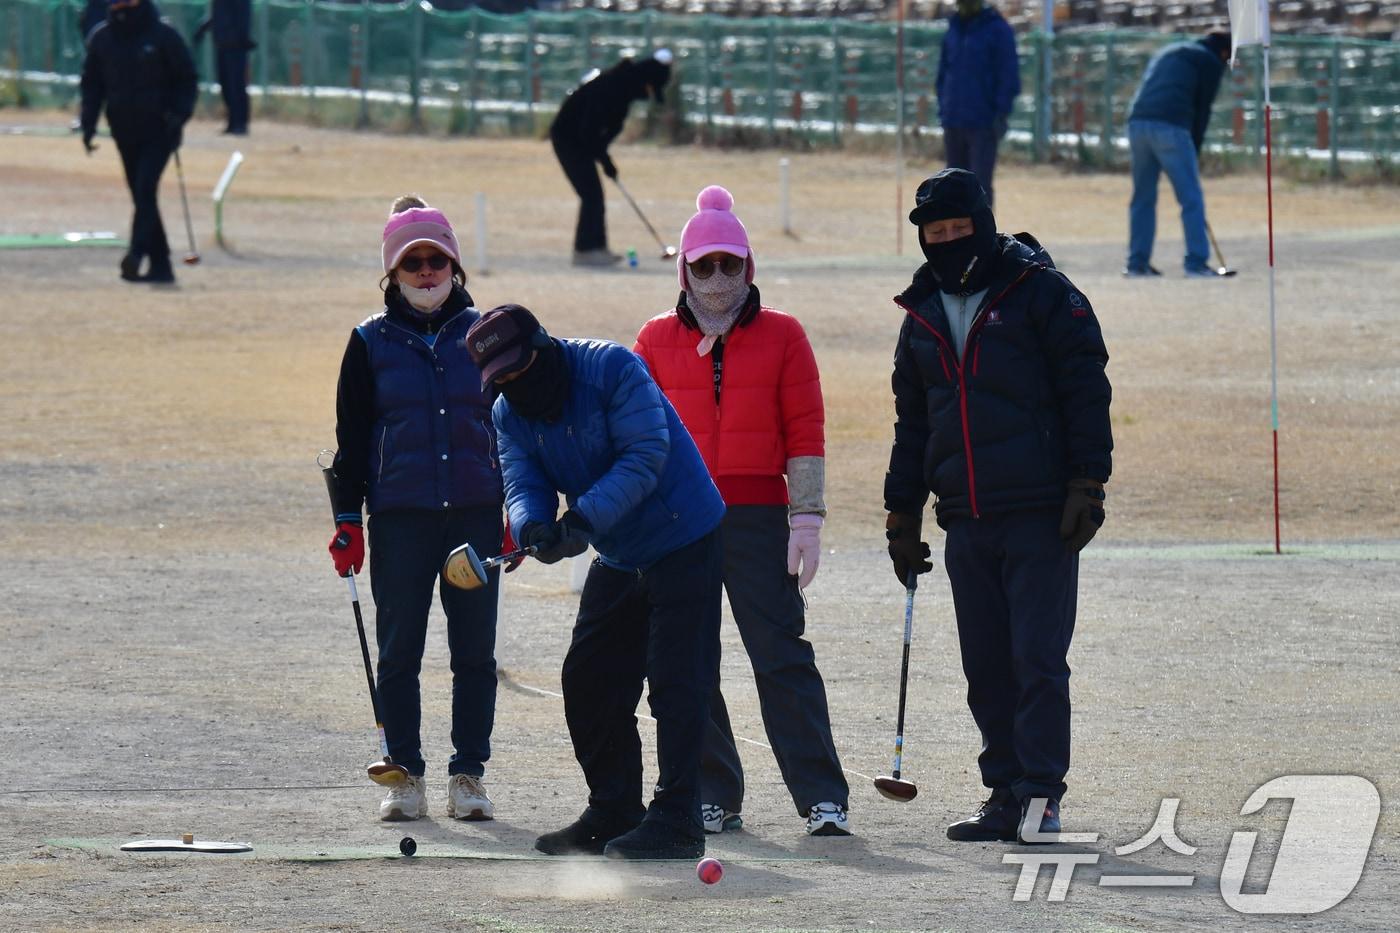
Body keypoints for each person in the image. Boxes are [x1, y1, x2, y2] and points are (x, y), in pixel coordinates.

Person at [883, 168, 1113, 844]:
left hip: (1042, 510)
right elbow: (913, 424)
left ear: (982, 224)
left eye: (958, 229)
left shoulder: (1041, 291)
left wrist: (1087, 484)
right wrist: (902, 513)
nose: (948, 241)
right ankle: (1004, 793)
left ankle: (1041, 794)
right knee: (985, 664)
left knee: (1036, 658)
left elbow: (1084, 390)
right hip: (967, 516)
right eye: (935, 232)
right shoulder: (921, 313)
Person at [465, 303, 726, 860]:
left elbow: (645, 453)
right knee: (588, 679)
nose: (514, 384)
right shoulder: (510, 411)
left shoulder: (610, 368)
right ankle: (614, 809)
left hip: (685, 537)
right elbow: (522, 477)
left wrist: (581, 520)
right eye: (501, 379)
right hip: (620, 550)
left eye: (518, 369)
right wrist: (533, 525)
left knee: (678, 682)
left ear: (541, 344)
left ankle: (678, 818)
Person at [632, 186, 851, 839]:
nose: (718, 278)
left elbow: (804, 427)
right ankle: (712, 792)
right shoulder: (654, 338)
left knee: (781, 653)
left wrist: (806, 515)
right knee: (688, 659)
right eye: (705, 265)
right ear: (685, 270)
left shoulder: (784, 334)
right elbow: (638, 436)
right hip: (680, 522)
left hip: (758, 514)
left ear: (749, 267)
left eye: (731, 264)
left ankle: (821, 796)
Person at [327, 197, 503, 824]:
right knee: (399, 651)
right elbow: (350, 440)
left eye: (436, 260)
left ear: (454, 266)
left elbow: (511, 427)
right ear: (392, 274)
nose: (426, 272)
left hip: (478, 515)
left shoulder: (489, 332)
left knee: (474, 652)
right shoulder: (368, 342)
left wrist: (517, 506)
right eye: (412, 263)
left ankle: (468, 775)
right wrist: (348, 521)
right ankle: (404, 776)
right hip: (400, 517)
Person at [79, 0, 196, 284]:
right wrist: (88, 125)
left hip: (160, 131)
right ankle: (161, 267)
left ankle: (137, 251)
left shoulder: (163, 36)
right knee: (141, 195)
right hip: (123, 129)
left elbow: (187, 80)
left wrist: (179, 115)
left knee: (145, 187)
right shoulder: (102, 38)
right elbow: (92, 86)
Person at [549, 49, 672, 267]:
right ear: (645, 81)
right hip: (568, 138)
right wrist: (605, 161)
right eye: (650, 88)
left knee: (594, 194)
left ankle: (596, 248)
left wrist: (605, 160)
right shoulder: (611, 88)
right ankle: (586, 251)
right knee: (591, 194)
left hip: (580, 141)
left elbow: (602, 134)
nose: (648, 94)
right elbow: (588, 131)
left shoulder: (623, 92)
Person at [1124, 31, 1232, 278]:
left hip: (1137, 123)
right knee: (1190, 198)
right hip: (1171, 127)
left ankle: (1137, 264)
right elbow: (1202, 109)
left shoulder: (1170, 49)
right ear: (1224, 51)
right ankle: (1196, 263)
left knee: (1143, 198)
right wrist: (1195, 148)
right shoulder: (1210, 61)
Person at [936, 0, 1020, 207]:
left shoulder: (997, 29)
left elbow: (1008, 74)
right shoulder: (954, 27)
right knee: (953, 186)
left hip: (983, 121)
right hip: (953, 120)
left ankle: (984, 238)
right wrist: (944, 106)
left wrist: (1001, 113)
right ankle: (955, 237)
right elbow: (943, 72)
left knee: (979, 187)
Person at [193, 0, 255, 136]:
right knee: (226, 86)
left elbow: (243, 17)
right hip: (222, 44)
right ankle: (232, 122)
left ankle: (240, 123)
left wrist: (240, 40)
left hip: (236, 48)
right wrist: (203, 28)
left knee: (236, 86)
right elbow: (218, 15)